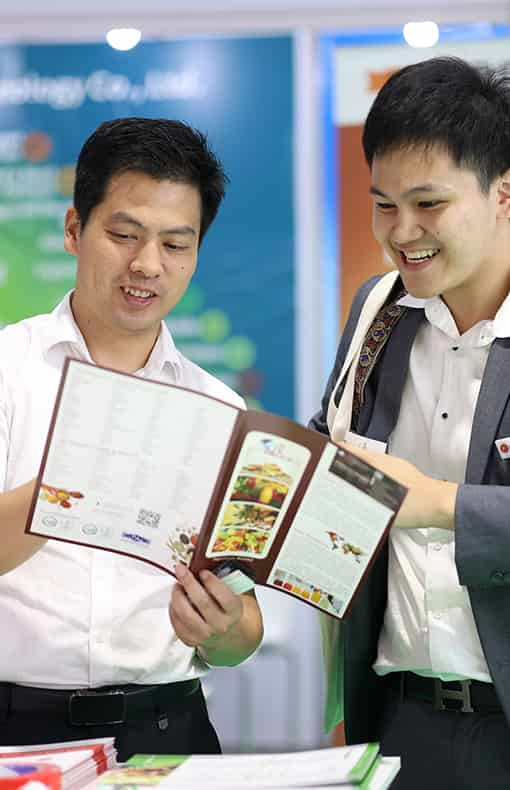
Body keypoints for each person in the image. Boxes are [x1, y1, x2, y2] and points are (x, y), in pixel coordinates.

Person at [0, 117, 263, 759]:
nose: (147, 265)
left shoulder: (219, 410)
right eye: (123, 235)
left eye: (177, 244)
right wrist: (72, 486)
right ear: (73, 229)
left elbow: (243, 629)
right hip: (18, 731)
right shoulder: (9, 370)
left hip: (168, 729)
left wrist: (223, 629)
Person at [310, 56, 510, 789]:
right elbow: (332, 459)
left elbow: (412, 497)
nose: (402, 232)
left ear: (503, 194)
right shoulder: (376, 312)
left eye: (428, 204)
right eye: (384, 204)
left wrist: (439, 504)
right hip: (400, 722)